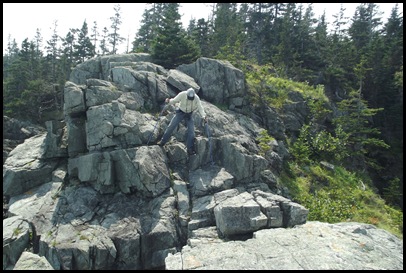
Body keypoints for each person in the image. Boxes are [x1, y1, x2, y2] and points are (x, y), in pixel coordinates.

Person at [157, 88, 207, 155]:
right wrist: (168, 101)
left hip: (189, 114)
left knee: (191, 131)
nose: (190, 99)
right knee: (171, 126)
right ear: (187, 95)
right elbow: (174, 100)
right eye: (189, 97)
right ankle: (162, 141)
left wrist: (204, 116)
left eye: (191, 98)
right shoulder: (182, 94)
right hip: (180, 112)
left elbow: (200, 108)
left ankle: (190, 149)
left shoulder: (196, 98)